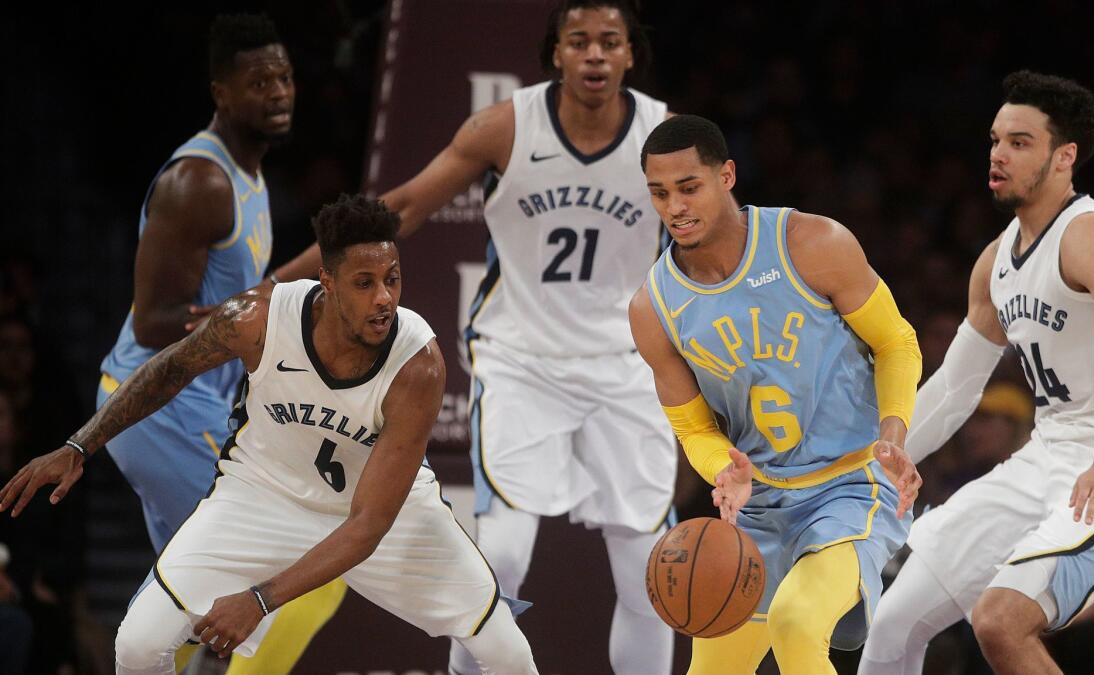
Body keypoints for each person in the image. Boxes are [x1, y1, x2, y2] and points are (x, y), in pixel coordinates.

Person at [279, 3, 677, 673]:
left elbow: (713, 242)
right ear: (556, 53)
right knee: (506, 554)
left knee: (647, 573)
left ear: (630, 55)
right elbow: (400, 208)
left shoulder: (661, 134)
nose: (595, 55)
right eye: (579, 42)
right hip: (522, 360)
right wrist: (281, 284)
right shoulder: (504, 126)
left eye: (611, 42)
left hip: (626, 366)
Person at [0, 194, 539, 675]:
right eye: (364, 283)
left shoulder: (417, 364)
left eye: (392, 279)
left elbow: (368, 526)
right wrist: (79, 446)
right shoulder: (257, 320)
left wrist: (258, 601)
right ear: (326, 283)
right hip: (260, 497)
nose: (384, 298)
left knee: (508, 653)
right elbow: (170, 369)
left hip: (380, 514)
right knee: (138, 647)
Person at [858, 71, 1094, 675]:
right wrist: (880, 456)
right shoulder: (994, 263)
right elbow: (956, 389)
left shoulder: (1092, 235)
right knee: (891, 620)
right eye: (994, 140)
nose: (997, 155)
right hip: (1046, 458)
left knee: (1000, 621)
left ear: (1065, 157)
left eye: (1019, 142)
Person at [629, 114, 923, 674]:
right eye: (659, 194)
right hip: (760, 501)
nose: (675, 207)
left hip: (851, 483)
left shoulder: (811, 243)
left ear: (727, 176)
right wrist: (724, 469)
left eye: (689, 188)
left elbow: (896, 342)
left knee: (798, 623)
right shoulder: (654, 307)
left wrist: (893, 431)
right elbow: (693, 427)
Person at [96, 13, 336, 672]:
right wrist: (270, 312)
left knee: (186, 602)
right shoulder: (198, 183)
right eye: (258, 81)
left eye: (284, 77)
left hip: (184, 402)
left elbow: (238, 301)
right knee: (312, 557)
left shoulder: (251, 176)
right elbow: (154, 321)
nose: (279, 91)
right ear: (220, 93)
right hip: (161, 404)